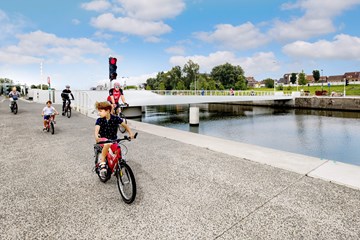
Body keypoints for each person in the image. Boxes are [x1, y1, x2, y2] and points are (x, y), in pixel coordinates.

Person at [94, 101, 135, 177]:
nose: (99, 113)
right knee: (107, 144)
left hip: (113, 139)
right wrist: (96, 137)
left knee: (118, 150)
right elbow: (96, 129)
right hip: (103, 139)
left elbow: (124, 125)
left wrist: (130, 133)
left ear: (108, 111)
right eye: (98, 111)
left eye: (100, 111)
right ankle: (102, 162)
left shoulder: (115, 118)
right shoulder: (99, 120)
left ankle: (118, 166)